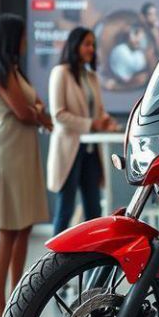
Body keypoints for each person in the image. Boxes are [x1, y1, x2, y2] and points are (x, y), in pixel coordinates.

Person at [0, 14, 53, 317]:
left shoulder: (13, 70)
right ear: (10, 38)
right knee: (7, 226)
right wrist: (38, 114)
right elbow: (25, 112)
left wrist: (37, 112)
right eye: (23, 35)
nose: (27, 40)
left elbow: (35, 105)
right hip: (6, 151)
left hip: (21, 151)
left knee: (23, 226)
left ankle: (13, 297)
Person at [48, 27, 119, 234]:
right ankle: (55, 264)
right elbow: (58, 114)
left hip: (91, 152)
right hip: (69, 149)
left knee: (94, 212)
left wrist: (105, 122)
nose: (92, 48)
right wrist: (91, 124)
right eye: (87, 44)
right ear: (74, 46)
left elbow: (99, 111)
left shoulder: (91, 77)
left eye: (93, 44)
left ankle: (92, 264)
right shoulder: (60, 73)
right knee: (65, 211)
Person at [108, 25, 152, 89]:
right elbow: (124, 79)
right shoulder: (121, 50)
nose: (139, 40)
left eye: (142, 38)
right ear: (129, 35)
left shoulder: (139, 55)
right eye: (136, 34)